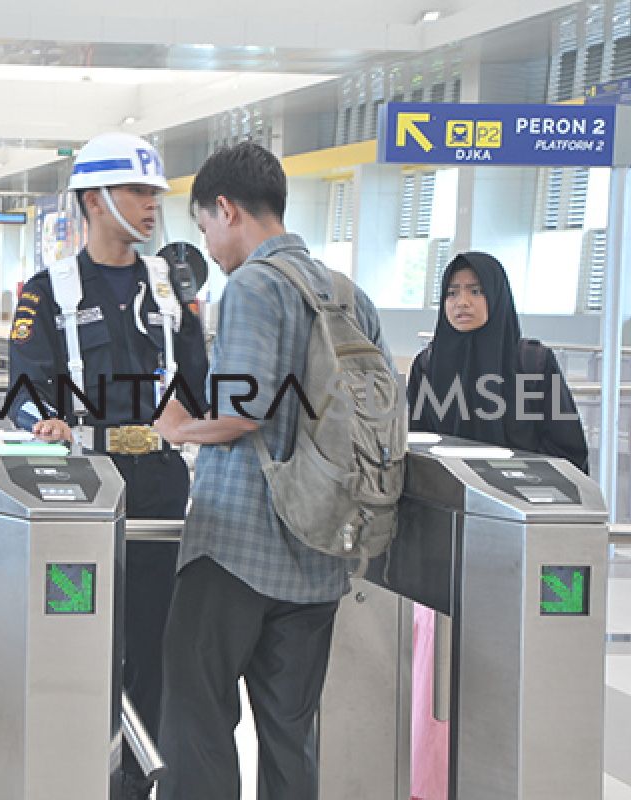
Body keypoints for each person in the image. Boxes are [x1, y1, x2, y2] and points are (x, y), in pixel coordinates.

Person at [151, 141, 391, 799]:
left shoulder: (254, 285)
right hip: (320, 551)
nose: (211, 244)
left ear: (227, 209)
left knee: (195, 712)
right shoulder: (348, 294)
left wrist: (177, 428)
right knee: (290, 733)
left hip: (237, 548)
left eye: (206, 227)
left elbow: (242, 410)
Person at [5, 132, 209, 800]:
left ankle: (130, 784)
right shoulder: (49, 290)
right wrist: (45, 420)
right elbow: (25, 383)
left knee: (152, 646)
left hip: (157, 485)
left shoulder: (169, 289)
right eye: (138, 192)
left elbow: (199, 383)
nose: (152, 206)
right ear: (95, 199)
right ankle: (70, 770)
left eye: (154, 193)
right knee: (75, 632)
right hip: (83, 487)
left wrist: (185, 414)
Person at [404, 251, 588, 800]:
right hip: (444, 553)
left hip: (517, 547)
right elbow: (413, 453)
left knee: (509, 670)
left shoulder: (532, 363)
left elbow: (568, 453)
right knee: (440, 683)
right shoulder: (429, 365)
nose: (462, 302)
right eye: (453, 291)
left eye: (475, 291)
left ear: (498, 296)